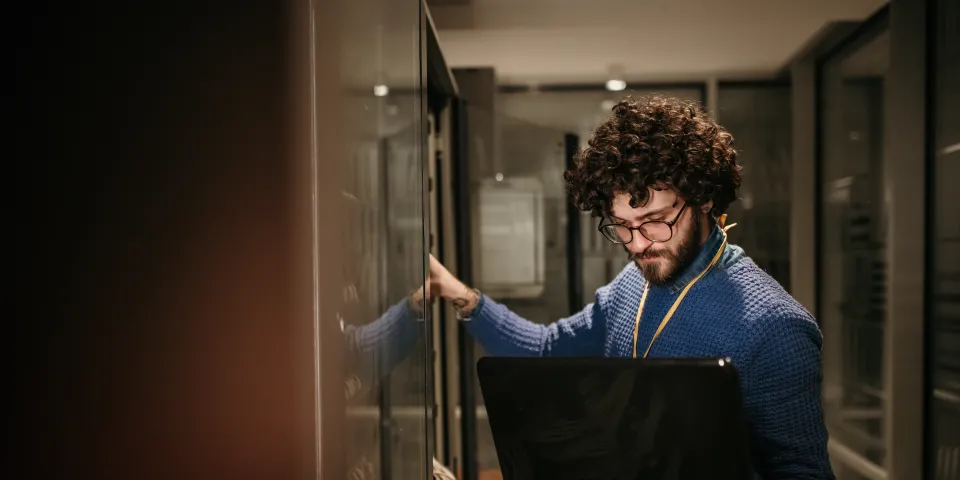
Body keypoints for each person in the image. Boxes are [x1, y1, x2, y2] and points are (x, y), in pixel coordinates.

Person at [424, 96, 834, 479]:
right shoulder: (632, 283)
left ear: (705, 199)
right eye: (622, 226)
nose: (637, 245)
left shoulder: (775, 326)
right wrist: (456, 292)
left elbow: (802, 473)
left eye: (655, 221)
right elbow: (548, 350)